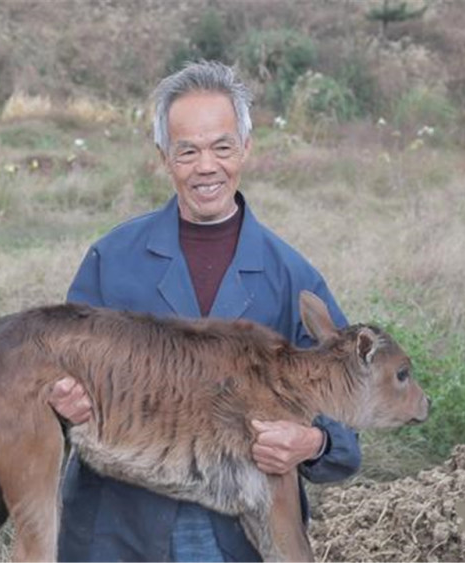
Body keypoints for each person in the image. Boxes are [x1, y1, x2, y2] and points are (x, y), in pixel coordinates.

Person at [47, 60, 361, 562]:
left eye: (222, 147)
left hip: (232, 535)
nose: (206, 166)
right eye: (187, 151)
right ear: (164, 157)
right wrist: (64, 405)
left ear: (246, 148)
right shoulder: (113, 260)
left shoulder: (291, 277)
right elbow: (53, 382)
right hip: (117, 529)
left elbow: (346, 425)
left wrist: (313, 442)